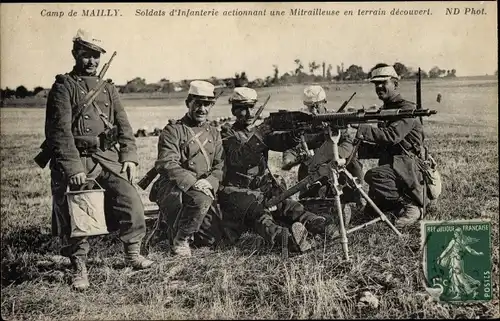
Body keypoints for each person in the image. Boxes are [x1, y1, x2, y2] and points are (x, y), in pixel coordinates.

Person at [45, 29, 153, 291]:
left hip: (107, 157)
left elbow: (124, 126)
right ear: (75, 55)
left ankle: (132, 253)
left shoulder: (108, 88)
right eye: (86, 55)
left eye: (96, 56)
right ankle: (79, 265)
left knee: (130, 198)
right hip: (78, 159)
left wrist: (128, 157)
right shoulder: (63, 87)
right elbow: (59, 133)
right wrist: (71, 168)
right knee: (79, 208)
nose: (92, 61)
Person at [218, 87, 334, 253]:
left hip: (263, 187)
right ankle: (290, 240)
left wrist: (295, 133)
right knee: (262, 217)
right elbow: (237, 158)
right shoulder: (227, 133)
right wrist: (258, 135)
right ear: (234, 110)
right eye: (243, 108)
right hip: (239, 191)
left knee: (290, 206)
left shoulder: (259, 130)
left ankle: (321, 225)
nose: (250, 113)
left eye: (252, 107)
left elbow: (278, 142)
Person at [150, 80, 224, 258]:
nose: (202, 109)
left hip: (203, 186)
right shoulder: (173, 130)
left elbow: (220, 165)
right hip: (175, 187)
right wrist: (194, 182)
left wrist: (209, 181)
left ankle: (166, 225)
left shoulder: (214, 132)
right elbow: (166, 163)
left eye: (207, 104)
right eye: (197, 103)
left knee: (210, 239)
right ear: (188, 103)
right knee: (201, 200)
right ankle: (181, 240)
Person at [354, 63, 427, 228]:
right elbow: (385, 146)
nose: (379, 87)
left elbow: (392, 136)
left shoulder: (407, 109)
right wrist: (358, 149)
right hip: (394, 167)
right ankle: (396, 206)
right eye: (376, 84)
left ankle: (412, 205)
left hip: (409, 168)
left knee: (373, 176)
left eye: (383, 82)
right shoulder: (386, 109)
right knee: (370, 213)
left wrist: (361, 129)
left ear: (395, 84)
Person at [281, 85, 365, 225]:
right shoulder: (305, 123)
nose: (313, 110)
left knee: (354, 165)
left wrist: (330, 156)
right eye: (309, 107)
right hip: (316, 167)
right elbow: (292, 149)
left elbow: (347, 144)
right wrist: (291, 159)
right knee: (308, 181)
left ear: (324, 102)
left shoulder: (336, 117)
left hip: (337, 162)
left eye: (316, 106)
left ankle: (358, 201)